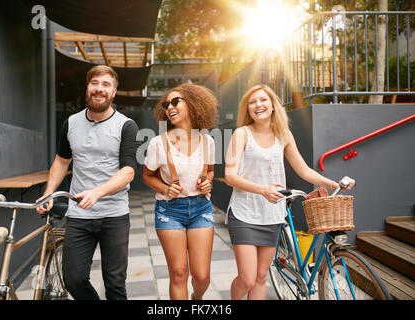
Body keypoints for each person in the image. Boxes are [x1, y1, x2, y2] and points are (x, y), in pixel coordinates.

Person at [224, 84, 355, 300]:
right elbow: (230, 176)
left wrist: (332, 183)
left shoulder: (283, 135)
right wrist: (262, 190)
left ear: (273, 105)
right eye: (252, 102)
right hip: (244, 212)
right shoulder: (241, 134)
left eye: (263, 100)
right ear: (247, 109)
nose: (258, 105)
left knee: (260, 277)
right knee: (247, 278)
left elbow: (303, 170)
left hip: (272, 214)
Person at [36, 65, 140, 300]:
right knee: (73, 280)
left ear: (114, 92)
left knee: (114, 284)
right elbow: (62, 161)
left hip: (114, 214)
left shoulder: (126, 125)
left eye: (106, 85)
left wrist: (97, 192)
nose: (99, 89)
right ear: (88, 87)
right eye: (95, 83)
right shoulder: (71, 123)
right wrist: (48, 193)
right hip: (79, 215)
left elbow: (128, 170)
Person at [142, 83, 218, 300]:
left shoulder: (208, 141)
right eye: (166, 104)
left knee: (202, 276)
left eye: (176, 101)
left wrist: (207, 182)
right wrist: (166, 188)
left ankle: (196, 299)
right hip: (169, 211)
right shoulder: (158, 143)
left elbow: (210, 172)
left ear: (193, 105)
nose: (170, 107)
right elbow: (147, 176)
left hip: (200, 207)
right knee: (178, 273)